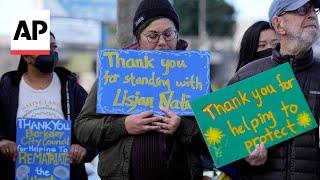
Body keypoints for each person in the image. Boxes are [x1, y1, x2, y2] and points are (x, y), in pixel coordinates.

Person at [75, 0, 207, 179]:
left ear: (177, 35)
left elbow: (218, 137)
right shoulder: (117, 70)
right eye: (153, 35)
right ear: (139, 38)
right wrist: (123, 126)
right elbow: (83, 128)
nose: (162, 42)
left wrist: (182, 127)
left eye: (168, 34)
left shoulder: (195, 72)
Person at [228, 0, 320, 179]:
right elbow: (221, 148)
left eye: (314, 10)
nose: (312, 15)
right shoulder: (247, 76)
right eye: (302, 10)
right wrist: (244, 157)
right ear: (279, 24)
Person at [0, 32, 96, 179]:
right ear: (26, 56)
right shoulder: (7, 88)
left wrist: (84, 148)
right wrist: (2, 142)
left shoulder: (71, 88)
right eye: (44, 48)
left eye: (54, 46)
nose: (51, 52)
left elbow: (95, 128)